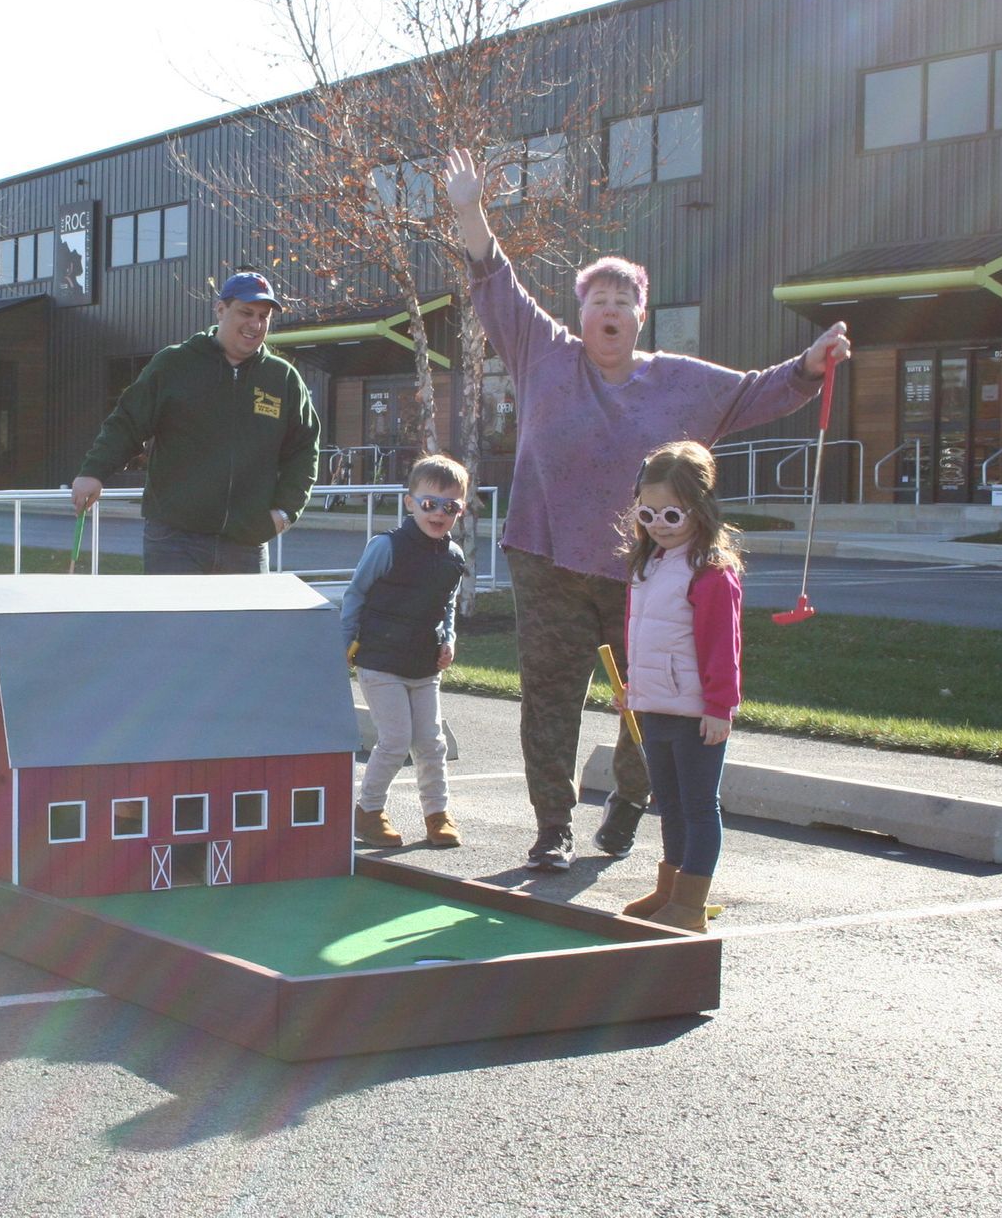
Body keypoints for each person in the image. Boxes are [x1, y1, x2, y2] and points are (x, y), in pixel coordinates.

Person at [440, 146, 849, 871]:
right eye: (598, 300)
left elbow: (757, 389)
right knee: (550, 698)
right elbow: (494, 281)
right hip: (545, 558)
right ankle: (553, 829)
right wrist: (471, 210)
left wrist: (810, 367)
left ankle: (629, 802)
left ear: (639, 316)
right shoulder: (542, 352)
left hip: (645, 571)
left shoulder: (679, 382)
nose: (609, 311)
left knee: (651, 698)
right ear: (582, 312)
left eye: (622, 302)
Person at [71, 270, 322, 574]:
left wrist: (284, 513)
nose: (255, 325)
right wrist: (94, 472)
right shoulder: (174, 364)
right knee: (174, 624)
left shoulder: (282, 379)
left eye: (264, 316)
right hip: (174, 540)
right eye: (246, 312)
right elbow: (127, 423)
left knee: (244, 624)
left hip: (247, 543)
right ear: (220, 310)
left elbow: (304, 450)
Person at [616, 441, 742, 931]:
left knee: (697, 805)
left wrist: (719, 706)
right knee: (667, 801)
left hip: (695, 712)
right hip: (656, 704)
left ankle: (690, 904)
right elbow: (641, 632)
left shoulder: (710, 573)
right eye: (647, 513)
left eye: (672, 514)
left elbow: (721, 647)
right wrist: (634, 685)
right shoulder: (647, 564)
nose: (658, 525)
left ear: (700, 507)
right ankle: (670, 887)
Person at [342, 454, 472, 850]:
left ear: (460, 511)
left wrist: (448, 639)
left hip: (424, 663)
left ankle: (437, 815)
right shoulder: (386, 546)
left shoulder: (454, 557)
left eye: (451, 507)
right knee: (396, 740)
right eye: (430, 503)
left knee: (432, 743)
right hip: (380, 660)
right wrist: (343, 647)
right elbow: (356, 594)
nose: (439, 514)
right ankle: (367, 811)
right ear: (410, 502)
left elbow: (446, 605)